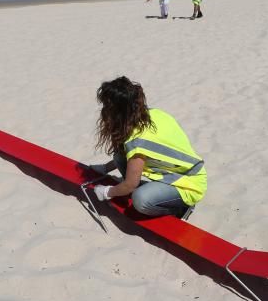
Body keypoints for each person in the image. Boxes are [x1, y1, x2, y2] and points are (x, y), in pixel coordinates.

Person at [88, 76, 206, 218]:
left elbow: (131, 183)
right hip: (180, 170)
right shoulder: (152, 114)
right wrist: (105, 168)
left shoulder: (137, 141)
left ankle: (179, 210)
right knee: (120, 155)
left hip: (189, 184)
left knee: (141, 200)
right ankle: (154, 193)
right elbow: (134, 154)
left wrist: (106, 192)